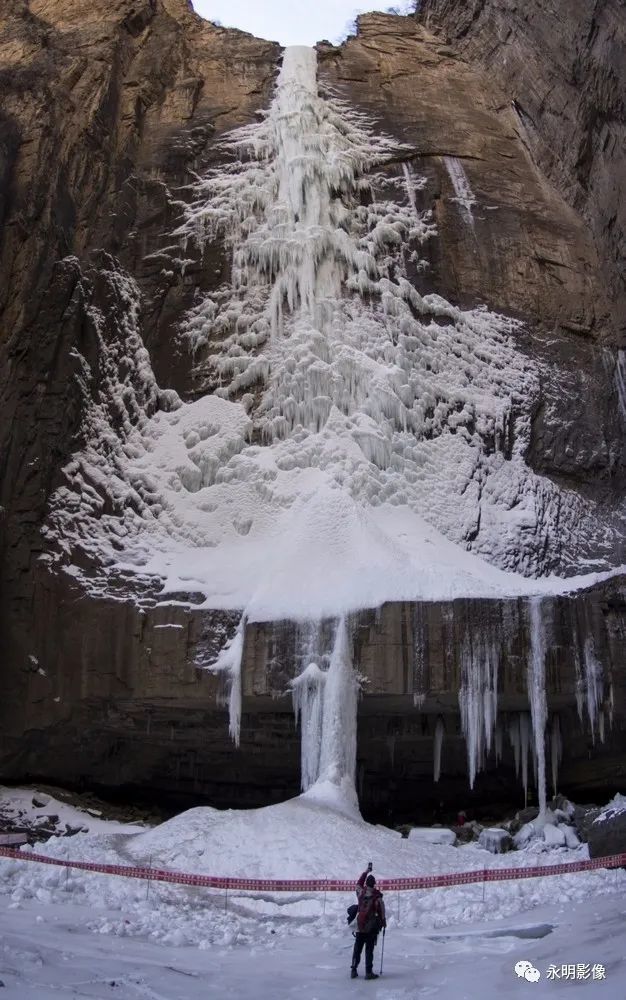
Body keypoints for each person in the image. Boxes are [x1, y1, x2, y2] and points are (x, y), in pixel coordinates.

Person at [350, 862, 386, 980]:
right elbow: (382, 911)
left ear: (366, 883)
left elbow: (358, 883)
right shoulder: (377, 896)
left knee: (357, 949)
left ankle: (354, 969)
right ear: (374, 884)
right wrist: (383, 922)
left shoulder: (361, 892)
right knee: (369, 950)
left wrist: (366, 871)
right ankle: (368, 972)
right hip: (371, 928)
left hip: (360, 926)